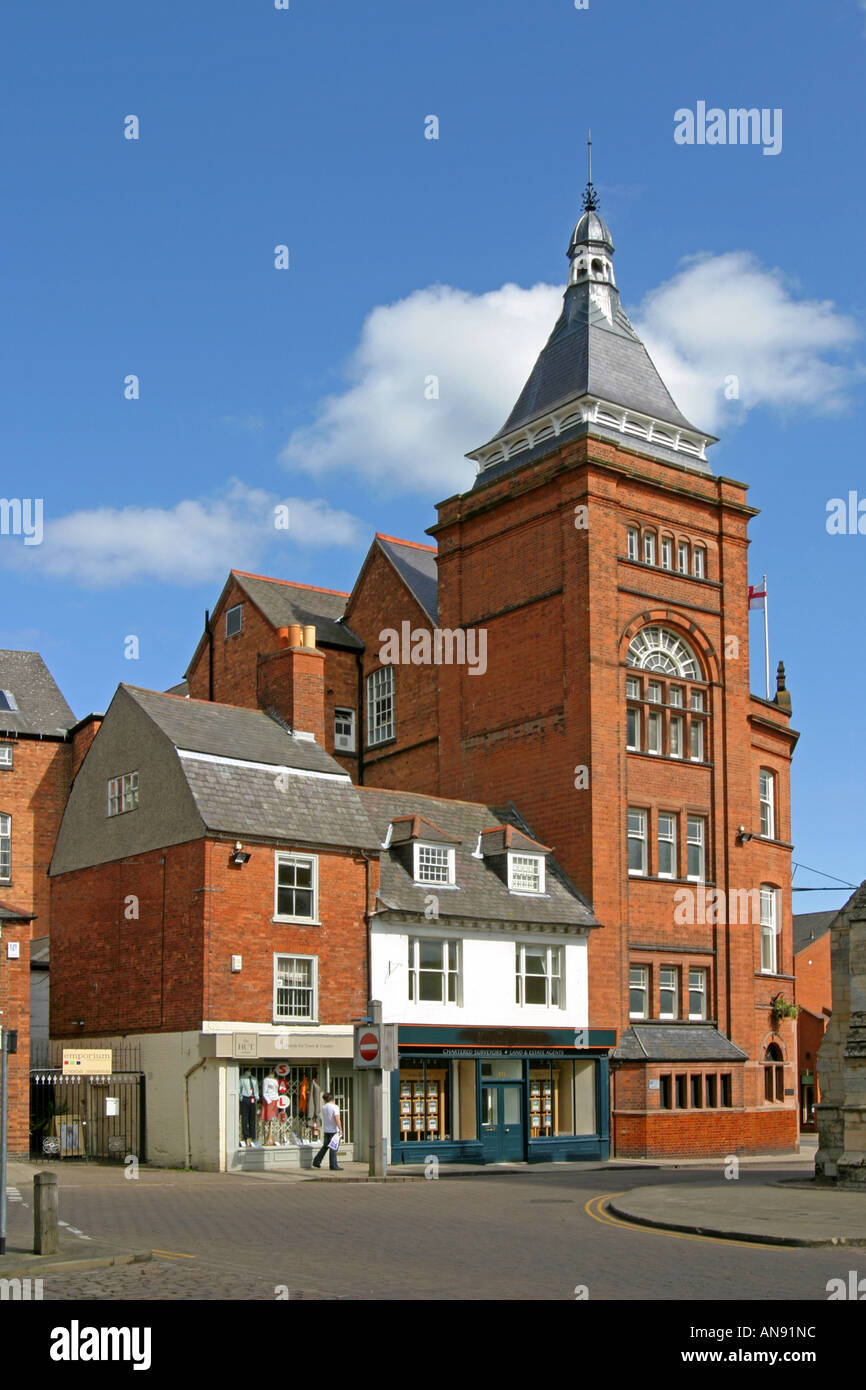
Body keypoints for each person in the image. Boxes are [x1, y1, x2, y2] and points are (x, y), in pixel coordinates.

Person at [312, 1092, 343, 1171]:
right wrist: (340, 1129)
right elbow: (337, 1118)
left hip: (326, 1130)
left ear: (325, 1100)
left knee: (325, 1147)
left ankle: (316, 1161)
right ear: (332, 1099)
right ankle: (333, 1165)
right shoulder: (335, 1107)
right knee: (333, 1148)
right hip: (334, 1130)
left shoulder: (324, 1107)